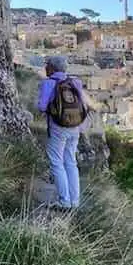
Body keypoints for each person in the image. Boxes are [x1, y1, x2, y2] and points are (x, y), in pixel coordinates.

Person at [37, 56, 91, 210]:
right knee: (71, 163)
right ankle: (75, 201)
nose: (46, 68)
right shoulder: (75, 82)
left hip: (58, 127)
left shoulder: (48, 83)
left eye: (47, 66)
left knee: (56, 162)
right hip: (75, 127)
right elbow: (83, 104)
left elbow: (42, 107)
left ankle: (64, 201)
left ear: (53, 68)